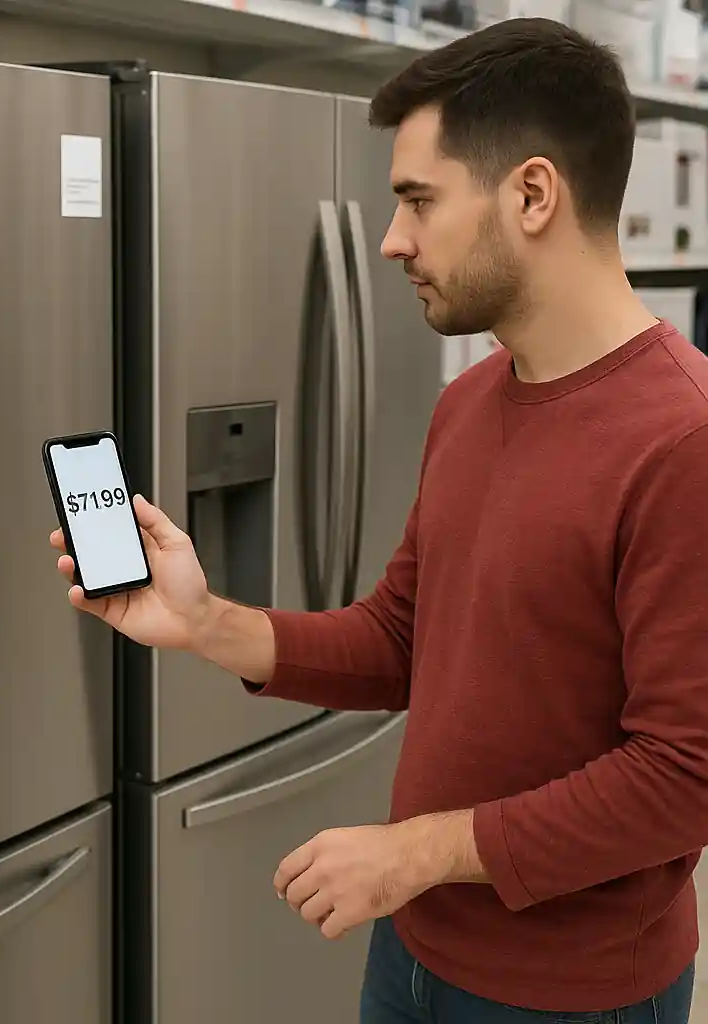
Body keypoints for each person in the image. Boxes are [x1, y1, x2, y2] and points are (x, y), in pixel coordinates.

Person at [50, 17, 707, 1024]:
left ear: (532, 194)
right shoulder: (472, 401)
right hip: (413, 951)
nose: (393, 237)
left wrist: (414, 850)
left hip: (572, 999)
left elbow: (682, 775)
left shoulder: (682, 436)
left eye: (416, 200)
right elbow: (404, 638)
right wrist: (204, 621)